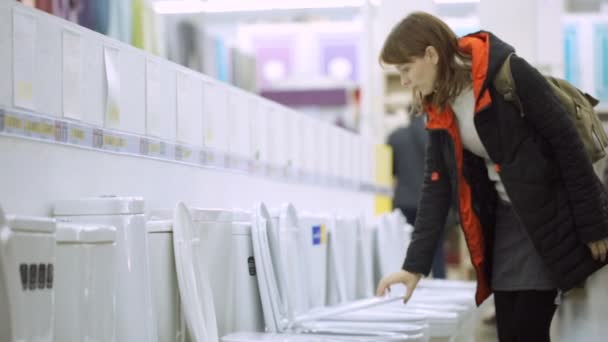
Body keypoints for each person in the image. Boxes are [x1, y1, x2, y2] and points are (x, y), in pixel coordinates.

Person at [375, 12, 608, 342]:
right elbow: (436, 185)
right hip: (506, 223)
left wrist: (593, 222)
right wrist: (414, 267)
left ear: (431, 54)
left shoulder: (506, 73)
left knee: (526, 328)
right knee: (510, 330)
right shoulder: (441, 105)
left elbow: (567, 142)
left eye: (406, 69)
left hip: (545, 217)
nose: (405, 81)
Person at [387, 115, 447, 279]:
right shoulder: (436, 136)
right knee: (436, 251)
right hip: (431, 201)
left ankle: (405, 288)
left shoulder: (395, 137)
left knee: (404, 249)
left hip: (403, 202)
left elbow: (390, 171)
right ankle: (439, 286)